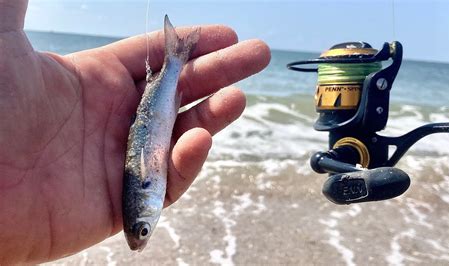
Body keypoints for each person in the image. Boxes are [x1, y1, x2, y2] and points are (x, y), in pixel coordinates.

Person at [0, 1, 270, 263]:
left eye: (143, 228)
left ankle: (174, 58)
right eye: (143, 230)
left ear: (143, 203)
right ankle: (175, 59)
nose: (145, 232)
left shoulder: (145, 191)